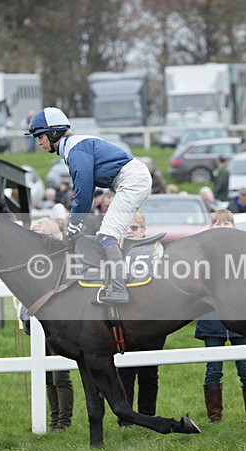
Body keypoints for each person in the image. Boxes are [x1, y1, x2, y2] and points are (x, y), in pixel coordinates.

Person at [27, 106, 152, 305]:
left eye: (40, 136)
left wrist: (73, 227)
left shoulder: (75, 149)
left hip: (131, 179)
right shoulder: (73, 147)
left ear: (53, 133)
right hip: (131, 178)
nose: (38, 142)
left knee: (106, 235)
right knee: (107, 234)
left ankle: (119, 289)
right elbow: (86, 192)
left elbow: (84, 193)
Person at [194, 210, 246, 422]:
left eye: (227, 222)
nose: (222, 225)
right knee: (213, 368)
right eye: (217, 222)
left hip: (241, 317)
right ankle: (215, 417)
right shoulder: (201, 253)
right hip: (211, 317)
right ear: (210, 227)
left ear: (234, 226)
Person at [20, 218, 74, 430]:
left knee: (60, 375)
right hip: (37, 324)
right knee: (47, 377)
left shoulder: (60, 263)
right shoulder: (28, 263)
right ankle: (54, 420)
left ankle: (64, 421)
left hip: (57, 324)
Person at [116, 212, 165, 427]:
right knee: (125, 369)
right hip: (125, 317)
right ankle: (126, 418)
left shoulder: (156, 250)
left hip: (153, 316)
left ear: (144, 230)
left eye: (134, 228)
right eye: (126, 227)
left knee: (149, 371)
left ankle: (147, 416)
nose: (130, 231)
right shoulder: (114, 249)